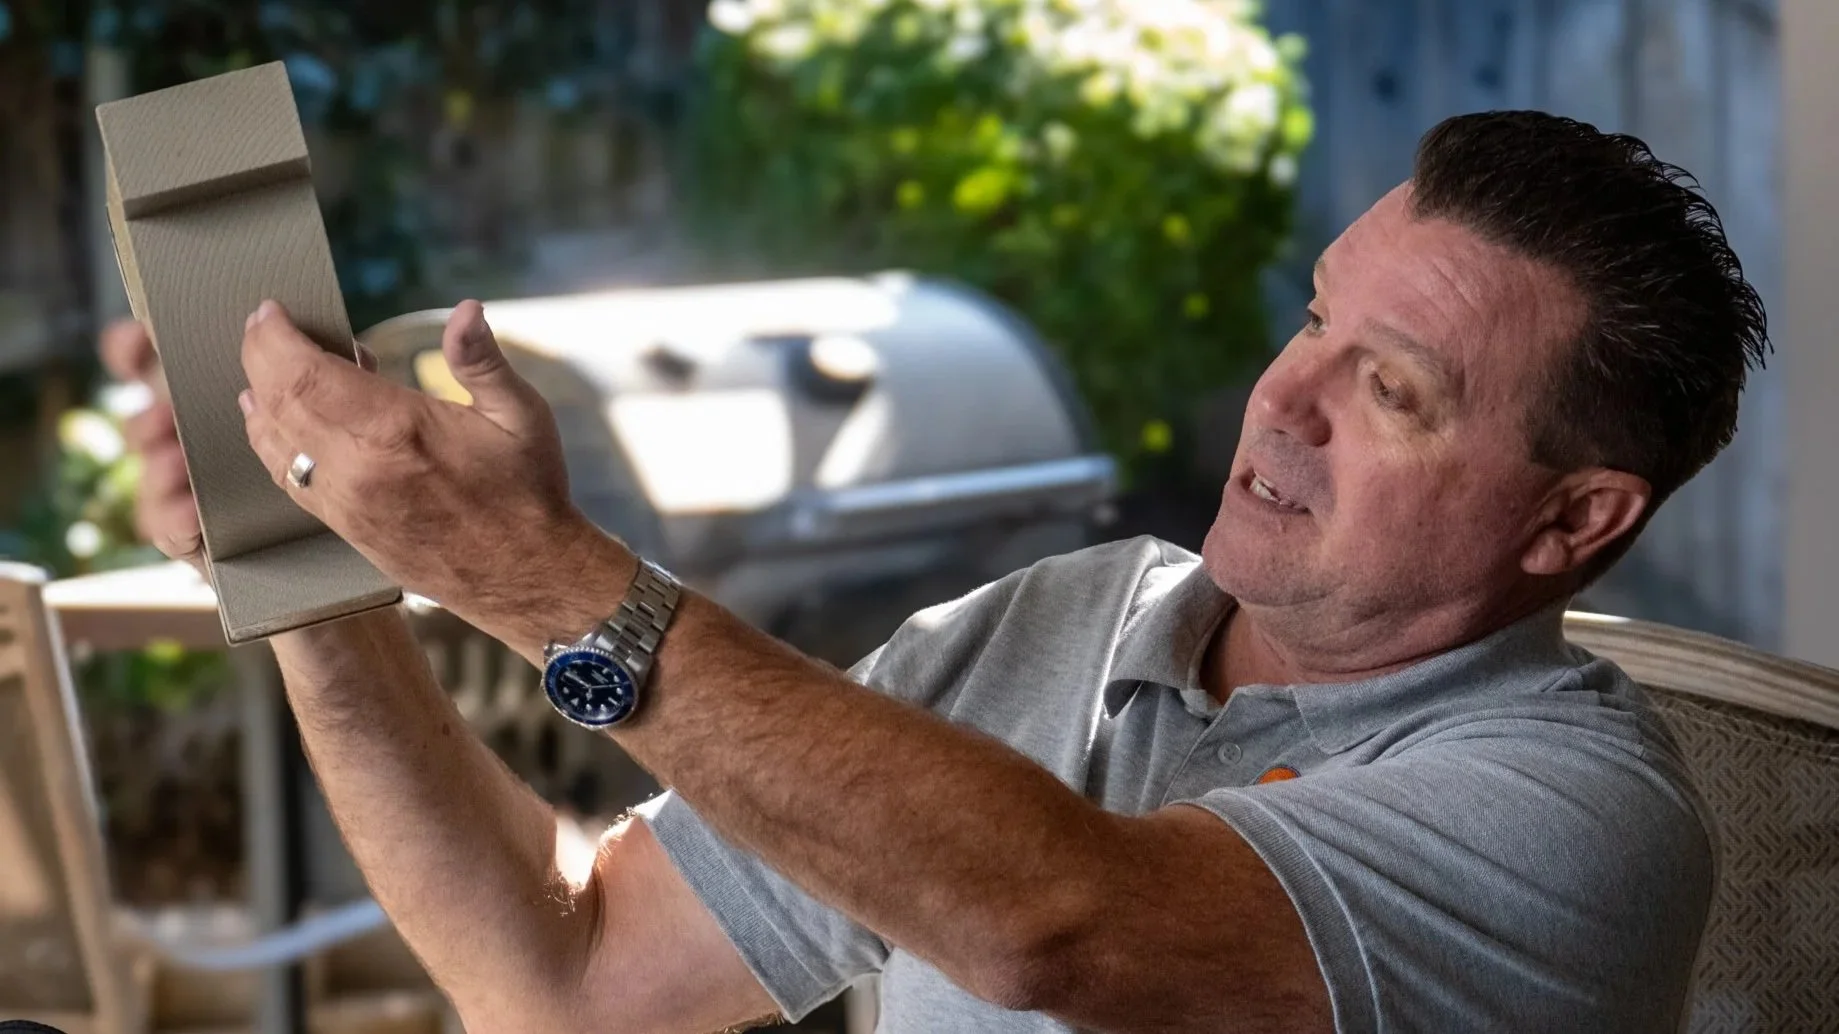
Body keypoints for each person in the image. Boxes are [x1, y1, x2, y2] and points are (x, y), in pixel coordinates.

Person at [105, 111, 1764, 1033]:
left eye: (1388, 388)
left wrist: (547, 582)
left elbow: (1057, 923)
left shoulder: (1575, 814)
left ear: (1571, 521)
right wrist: (315, 583)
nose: (1282, 397)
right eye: (1315, 317)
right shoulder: (1070, 615)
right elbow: (567, 977)